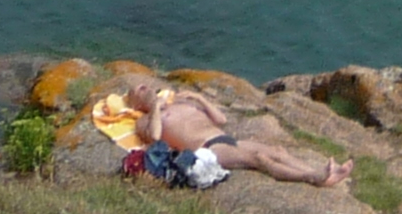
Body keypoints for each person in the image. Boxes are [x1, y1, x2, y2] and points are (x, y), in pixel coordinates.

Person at [126, 80, 351, 186]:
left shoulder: (182, 102)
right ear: (135, 105)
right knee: (259, 159)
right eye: (137, 90)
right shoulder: (145, 120)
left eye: (144, 85)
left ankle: (324, 177)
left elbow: (221, 120)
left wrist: (199, 99)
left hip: (222, 137)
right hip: (207, 148)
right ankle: (312, 177)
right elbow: (154, 137)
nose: (142, 87)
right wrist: (155, 106)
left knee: (277, 151)